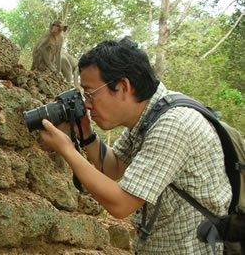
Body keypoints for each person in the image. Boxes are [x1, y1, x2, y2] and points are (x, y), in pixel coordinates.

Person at [39, 37, 232, 254]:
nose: (87, 103)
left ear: (123, 86)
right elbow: (116, 167)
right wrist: (86, 134)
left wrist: (67, 149)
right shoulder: (146, 117)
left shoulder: (173, 125)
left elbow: (120, 204)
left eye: (90, 93)